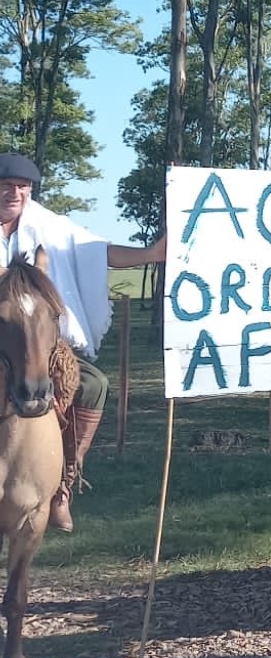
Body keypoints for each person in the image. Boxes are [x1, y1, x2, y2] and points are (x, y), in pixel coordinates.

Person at [0, 153, 165, 533]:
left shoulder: (49, 229)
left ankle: (62, 485)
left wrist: (151, 254)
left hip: (41, 342)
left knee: (93, 384)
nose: (15, 193)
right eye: (7, 186)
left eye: (22, 187)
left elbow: (96, 252)